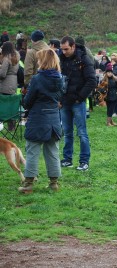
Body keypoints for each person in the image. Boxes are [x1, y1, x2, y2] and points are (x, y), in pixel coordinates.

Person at [18, 49, 63, 194]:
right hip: (54, 119)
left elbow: (28, 102)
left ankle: (28, 185)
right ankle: (54, 183)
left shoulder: (37, 79)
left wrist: (25, 100)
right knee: (52, 151)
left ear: (43, 61)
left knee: (32, 151)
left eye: (39, 60)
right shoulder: (61, 78)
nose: (37, 62)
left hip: (38, 119)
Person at [59, 36, 96, 171]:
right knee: (67, 132)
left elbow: (92, 81)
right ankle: (67, 159)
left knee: (81, 133)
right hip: (64, 101)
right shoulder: (60, 59)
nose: (64, 52)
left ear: (73, 46)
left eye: (66, 49)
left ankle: (84, 161)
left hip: (77, 102)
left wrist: (80, 97)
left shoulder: (84, 59)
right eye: (62, 49)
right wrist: (59, 98)